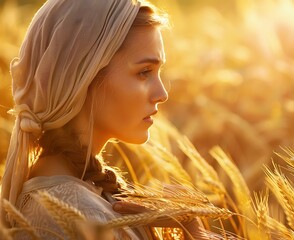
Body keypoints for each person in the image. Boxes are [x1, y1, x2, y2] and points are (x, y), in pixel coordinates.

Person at [0, 0, 217, 239]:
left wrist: (192, 228)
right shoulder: (75, 214)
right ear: (83, 78)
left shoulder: (89, 196)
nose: (162, 94)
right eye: (144, 72)